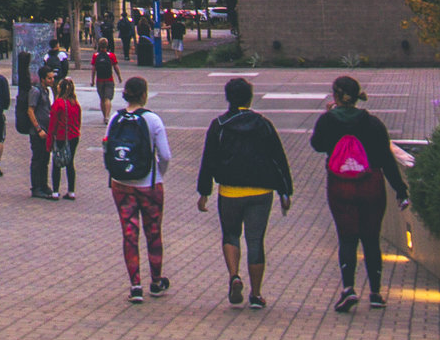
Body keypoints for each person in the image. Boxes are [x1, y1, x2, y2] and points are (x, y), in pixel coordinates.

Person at [310, 75, 409, 313]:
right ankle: (375, 293)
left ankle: (349, 289)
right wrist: (400, 190)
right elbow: (386, 159)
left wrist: (328, 115)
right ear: (357, 97)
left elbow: (317, 145)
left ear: (335, 96)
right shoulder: (373, 123)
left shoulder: (327, 121)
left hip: (340, 184)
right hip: (371, 183)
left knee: (347, 237)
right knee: (371, 238)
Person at [194, 77, 293, 310]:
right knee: (256, 240)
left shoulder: (219, 125)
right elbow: (278, 159)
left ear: (228, 97)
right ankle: (256, 294)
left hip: (230, 191)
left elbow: (208, 160)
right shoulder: (263, 124)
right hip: (261, 191)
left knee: (231, 235)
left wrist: (204, 192)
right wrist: (285, 191)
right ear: (250, 97)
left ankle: (234, 275)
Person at [102, 76, 172, 303]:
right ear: (144, 94)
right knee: (153, 232)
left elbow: (107, 148)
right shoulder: (152, 120)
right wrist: (158, 172)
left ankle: (135, 285)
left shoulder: (115, 118)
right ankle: (156, 280)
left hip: (121, 184)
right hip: (149, 184)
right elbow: (165, 155)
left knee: (129, 234)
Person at [18, 52, 54, 197]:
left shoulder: (47, 91)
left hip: (47, 131)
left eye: (53, 78)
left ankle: (44, 184)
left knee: (45, 159)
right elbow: (30, 110)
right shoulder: (36, 91)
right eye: (49, 78)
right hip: (38, 131)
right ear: (43, 79)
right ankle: (36, 187)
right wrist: (38, 128)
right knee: (37, 159)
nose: (52, 80)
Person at [48, 76, 85, 198]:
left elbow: (53, 123)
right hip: (73, 135)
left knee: (57, 162)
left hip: (61, 135)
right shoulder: (75, 104)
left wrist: (50, 139)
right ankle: (71, 191)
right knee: (70, 162)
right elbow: (78, 121)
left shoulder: (58, 103)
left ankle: (55, 191)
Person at [91, 41, 120, 123]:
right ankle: (107, 116)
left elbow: (93, 69)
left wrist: (92, 80)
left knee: (102, 99)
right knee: (108, 99)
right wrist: (119, 76)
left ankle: (104, 115)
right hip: (109, 79)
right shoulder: (111, 55)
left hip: (99, 79)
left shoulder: (95, 56)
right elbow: (115, 66)